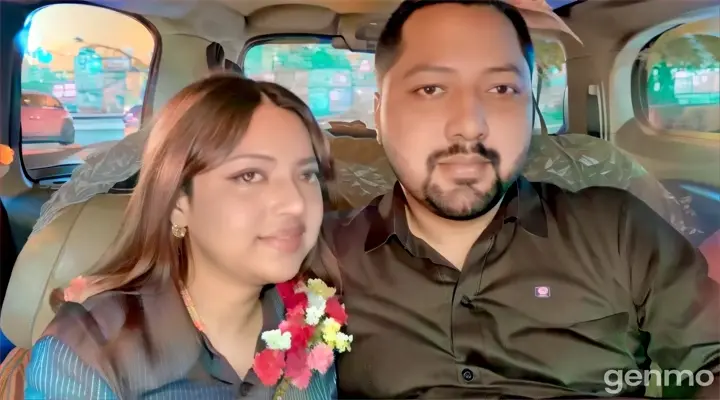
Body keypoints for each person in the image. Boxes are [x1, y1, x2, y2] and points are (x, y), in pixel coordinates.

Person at [319, 0, 720, 398]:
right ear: (379, 115)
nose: (469, 125)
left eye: (501, 88)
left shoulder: (618, 229)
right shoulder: (321, 255)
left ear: (530, 108)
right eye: (431, 88)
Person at [24, 74, 338, 399]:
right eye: (250, 175)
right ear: (177, 202)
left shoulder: (312, 320)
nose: (295, 202)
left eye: (306, 174)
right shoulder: (88, 354)